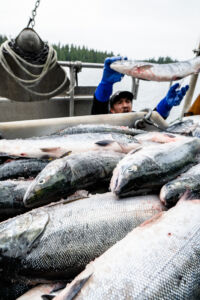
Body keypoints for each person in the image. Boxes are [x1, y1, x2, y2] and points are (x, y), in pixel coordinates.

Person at [91, 56, 189, 118]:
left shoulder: (137, 120)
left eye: (128, 101)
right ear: (111, 110)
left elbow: (154, 119)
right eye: (119, 103)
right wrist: (106, 83)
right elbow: (99, 110)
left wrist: (166, 104)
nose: (125, 105)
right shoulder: (106, 120)